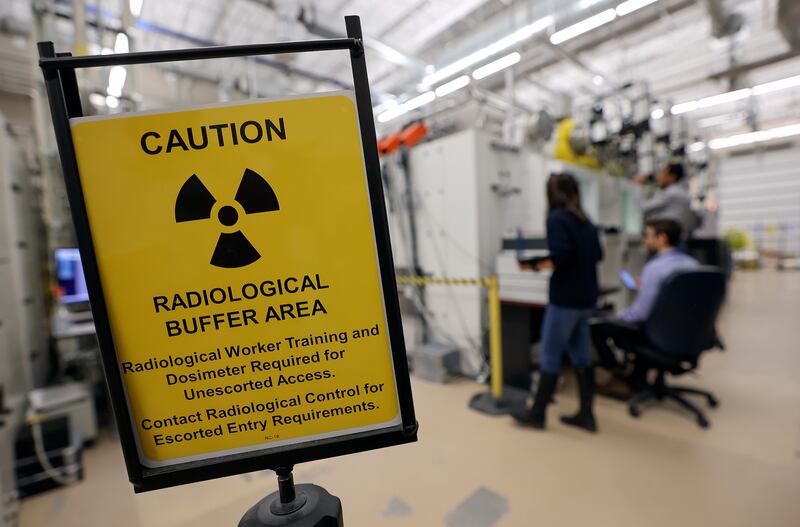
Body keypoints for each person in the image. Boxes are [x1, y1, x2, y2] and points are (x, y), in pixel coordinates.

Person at [512, 173, 603, 432]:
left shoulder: (557, 218)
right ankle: (587, 414)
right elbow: (597, 254)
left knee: (549, 354)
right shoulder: (585, 221)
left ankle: (537, 413)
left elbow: (561, 258)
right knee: (582, 356)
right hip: (586, 299)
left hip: (566, 300)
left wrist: (531, 264)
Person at [591, 218, 699, 390]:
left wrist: (619, 316)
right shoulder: (692, 265)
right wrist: (646, 287)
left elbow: (639, 315)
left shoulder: (654, 268)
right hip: (688, 334)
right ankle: (637, 375)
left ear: (662, 238)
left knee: (598, 327)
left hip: (660, 336)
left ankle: (618, 372)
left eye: (648, 236)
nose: (645, 241)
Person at [635, 163, 696, 235]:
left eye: (663, 173)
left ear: (672, 176)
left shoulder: (671, 193)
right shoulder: (680, 192)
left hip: (668, 235)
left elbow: (644, 207)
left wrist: (638, 186)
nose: (659, 177)